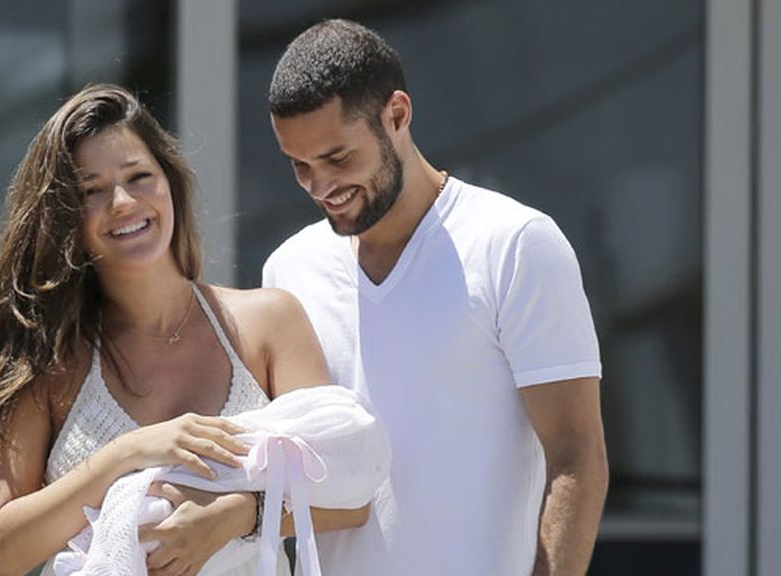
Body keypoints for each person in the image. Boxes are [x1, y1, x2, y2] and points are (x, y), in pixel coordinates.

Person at [0, 84, 368, 576]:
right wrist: (124, 455)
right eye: (91, 191)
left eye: (139, 176)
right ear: (65, 219)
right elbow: (0, 550)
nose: (122, 202)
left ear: (170, 184)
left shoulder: (268, 322)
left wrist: (238, 515)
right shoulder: (46, 355)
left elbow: (350, 492)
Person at [261, 19, 609, 575]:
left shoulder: (514, 245)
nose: (319, 185)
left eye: (337, 157)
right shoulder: (287, 271)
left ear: (396, 115)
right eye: (299, 166)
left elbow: (576, 457)